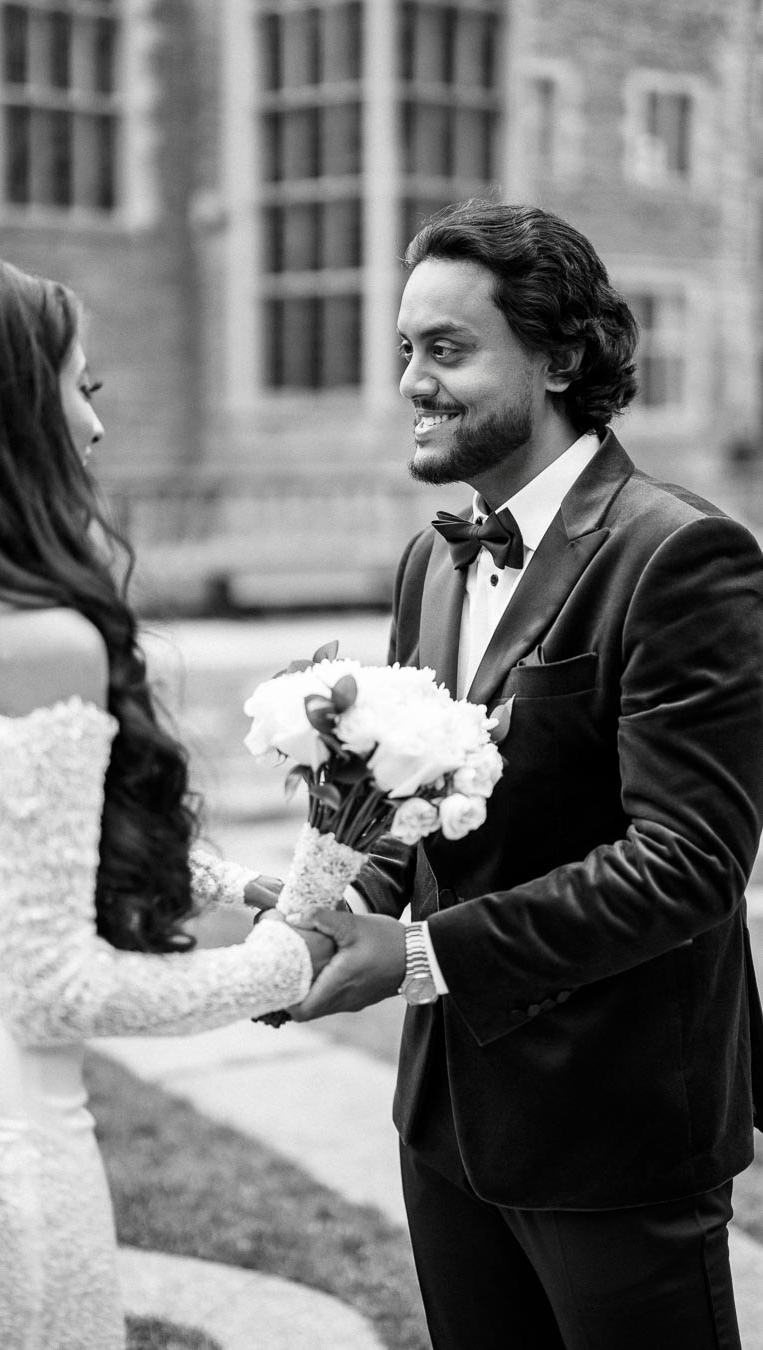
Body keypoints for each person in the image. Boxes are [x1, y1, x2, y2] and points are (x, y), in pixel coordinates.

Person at [290, 201, 763, 1348]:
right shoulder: (432, 559)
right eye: (406, 349)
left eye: (446, 350)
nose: (411, 381)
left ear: (558, 357)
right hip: (444, 1117)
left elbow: (688, 865)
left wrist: (415, 957)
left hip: (617, 1128)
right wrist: (341, 906)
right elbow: (412, 799)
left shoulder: (680, 554)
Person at [0, 255, 334, 1350]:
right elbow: (53, 989)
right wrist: (291, 952)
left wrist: (220, 879)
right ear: (2, 412)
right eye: (84, 389)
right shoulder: (38, 643)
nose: (96, 429)